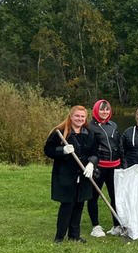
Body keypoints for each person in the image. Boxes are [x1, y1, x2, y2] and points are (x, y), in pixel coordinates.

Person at [44, 106, 99, 243]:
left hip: (83, 174)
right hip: (65, 175)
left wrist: (92, 163)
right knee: (67, 205)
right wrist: (62, 150)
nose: (80, 119)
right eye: (77, 116)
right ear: (71, 117)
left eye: (82, 117)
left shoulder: (89, 133)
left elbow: (95, 152)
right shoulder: (61, 132)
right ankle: (59, 237)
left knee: (79, 203)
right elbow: (48, 150)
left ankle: (74, 235)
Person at [87, 99, 122, 237]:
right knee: (94, 196)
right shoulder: (90, 127)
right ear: (96, 110)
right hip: (99, 167)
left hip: (115, 166)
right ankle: (95, 226)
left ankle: (117, 225)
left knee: (115, 197)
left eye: (107, 109)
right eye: (102, 109)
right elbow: (89, 148)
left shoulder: (113, 125)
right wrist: (91, 163)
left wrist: (122, 163)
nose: (104, 112)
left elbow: (118, 145)